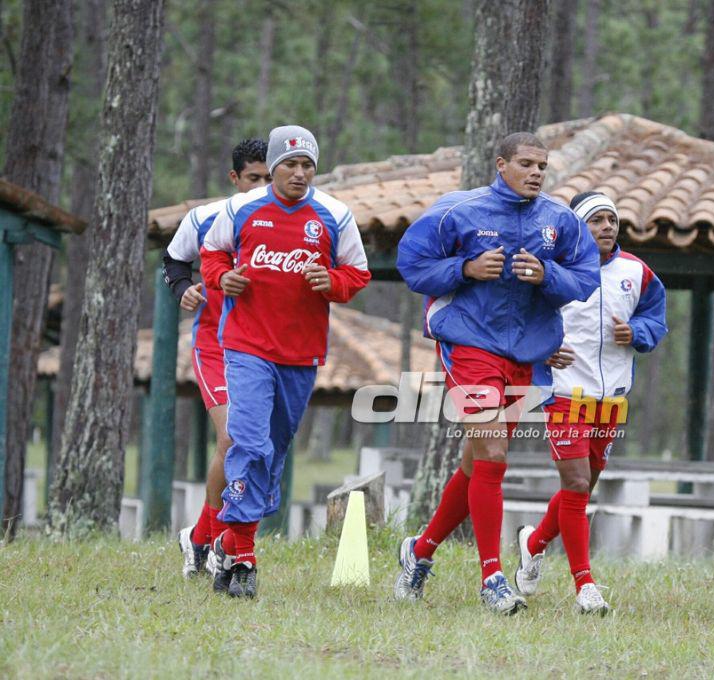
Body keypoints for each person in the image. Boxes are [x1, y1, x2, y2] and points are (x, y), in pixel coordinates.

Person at [393, 132, 600, 615]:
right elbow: (413, 264)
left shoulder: (559, 219)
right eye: (526, 164)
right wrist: (465, 268)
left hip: (526, 353)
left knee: (476, 463)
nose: (535, 173)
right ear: (501, 163)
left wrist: (548, 276)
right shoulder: (459, 210)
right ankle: (492, 577)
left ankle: (419, 552)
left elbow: (586, 277)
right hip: (469, 343)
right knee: (493, 450)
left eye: (542, 167)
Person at [199, 125, 371, 598]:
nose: (299, 173)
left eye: (307, 165)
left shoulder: (335, 215)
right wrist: (222, 279)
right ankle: (245, 559)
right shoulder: (240, 208)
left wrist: (331, 282)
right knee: (248, 444)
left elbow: (357, 274)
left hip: (301, 353)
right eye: (290, 165)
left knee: (272, 452)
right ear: (273, 167)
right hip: (247, 345)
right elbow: (211, 253)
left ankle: (229, 548)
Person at [514, 191, 668, 615]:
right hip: (564, 392)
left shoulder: (636, 272)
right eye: (597, 220)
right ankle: (585, 586)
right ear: (578, 227)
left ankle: (534, 542)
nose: (607, 227)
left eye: (612, 220)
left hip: (612, 399)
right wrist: (542, 350)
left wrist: (636, 332)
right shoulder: (555, 270)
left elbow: (656, 318)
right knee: (578, 485)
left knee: (581, 487)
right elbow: (521, 319)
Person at [163, 138, 271, 582]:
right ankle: (212, 540)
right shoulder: (206, 217)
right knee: (231, 438)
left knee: (257, 444)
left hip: (264, 346)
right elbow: (173, 260)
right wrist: (182, 288)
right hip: (217, 343)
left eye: (270, 177)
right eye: (254, 178)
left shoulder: (292, 219)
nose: (263, 186)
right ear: (234, 178)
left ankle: (203, 537)